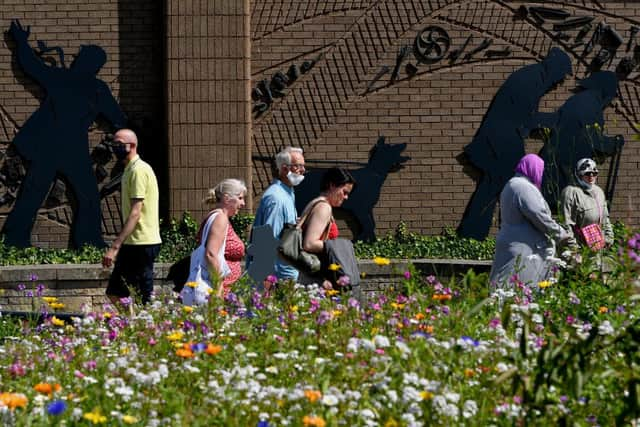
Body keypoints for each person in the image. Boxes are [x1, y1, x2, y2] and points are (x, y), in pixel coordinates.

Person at [3, 19, 127, 248]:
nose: (74, 59)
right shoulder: (97, 89)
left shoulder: (63, 78)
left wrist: (21, 42)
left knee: (33, 195)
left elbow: (31, 66)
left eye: (79, 57)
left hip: (51, 149)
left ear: (87, 62)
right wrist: (126, 134)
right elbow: (118, 119)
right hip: (69, 151)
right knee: (86, 197)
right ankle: (87, 243)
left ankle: (14, 241)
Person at [490, 154, 569, 288]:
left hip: (513, 243)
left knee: (505, 286)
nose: (541, 174)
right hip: (524, 248)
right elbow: (539, 215)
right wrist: (561, 234)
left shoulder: (511, 184)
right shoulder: (524, 187)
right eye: (540, 170)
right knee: (519, 289)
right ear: (532, 168)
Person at [102, 129, 161, 307]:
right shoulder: (129, 170)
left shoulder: (139, 171)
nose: (115, 148)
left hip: (142, 243)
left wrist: (114, 247)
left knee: (144, 297)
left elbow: (136, 212)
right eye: (114, 144)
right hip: (132, 243)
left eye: (119, 144)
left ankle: (147, 328)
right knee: (115, 292)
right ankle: (133, 325)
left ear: (132, 145)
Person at [181, 179, 247, 305]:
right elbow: (211, 254)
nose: (243, 203)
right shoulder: (220, 218)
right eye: (240, 198)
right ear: (227, 198)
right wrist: (219, 285)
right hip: (214, 289)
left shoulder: (216, 216)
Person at [248, 147, 306, 283]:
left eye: (304, 166)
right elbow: (267, 239)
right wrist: (267, 280)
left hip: (284, 274)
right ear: (285, 169)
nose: (303, 170)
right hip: (277, 277)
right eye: (298, 166)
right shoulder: (277, 198)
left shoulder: (286, 193)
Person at [299, 167, 357, 290]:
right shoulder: (324, 207)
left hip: (312, 274)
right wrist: (338, 247)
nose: (346, 197)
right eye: (344, 192)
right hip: (314, 278)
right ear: (332, 185)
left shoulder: (316, 204)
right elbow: (309, 244)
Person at [559, 158, 613, 248]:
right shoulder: (570, 192)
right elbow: (566, 223)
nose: (591, 176)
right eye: (587, 173)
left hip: (598, 245)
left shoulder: (598, 191)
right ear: (579, 174)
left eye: (594, 173)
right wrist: (573, 249)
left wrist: (608, 238)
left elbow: (605, 218)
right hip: (579, 249)